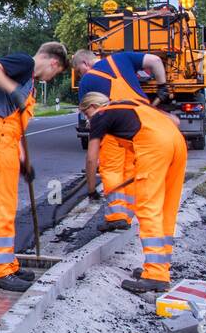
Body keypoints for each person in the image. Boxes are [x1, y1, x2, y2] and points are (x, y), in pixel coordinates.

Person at [0, 42, 70, 291]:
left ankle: (8, 264)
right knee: (1, 205)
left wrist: (23, 160)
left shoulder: (29, 83)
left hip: (6, 142)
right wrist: (14, 89)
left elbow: (14, 126)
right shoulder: (24, 64)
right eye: (56, 73)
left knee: (8, 204)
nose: (51, 79)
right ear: (53, 63)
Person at [80, 91, 187, 293]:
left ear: (93, 107)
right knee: (167, 208)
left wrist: (92, 189)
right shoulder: (131, 104)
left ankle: (156, 275)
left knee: (148, 208)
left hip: (155, 147)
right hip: (176, 142)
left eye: (86, 114)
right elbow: (174, 121)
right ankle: (160, 269)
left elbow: (92, 159)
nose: (88, 119)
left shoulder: (101, 116)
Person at [72, 48, 168, 232]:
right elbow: (156, 60)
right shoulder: (122, 59)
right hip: (141, 123)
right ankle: (128, 215)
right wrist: (162, 87)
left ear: (84, 63)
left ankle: (116, 216)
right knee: (131, 169)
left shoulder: (87, 80)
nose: (81, 74)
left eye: (79, 70)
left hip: (112, 127)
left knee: (112, 168)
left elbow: (89, 116)